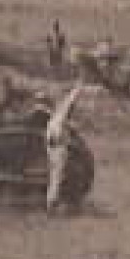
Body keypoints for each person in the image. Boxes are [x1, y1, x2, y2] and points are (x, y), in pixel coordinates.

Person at [45, 84, 88, 215]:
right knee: (57, 178)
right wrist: (77, 90)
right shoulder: (58, 119)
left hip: (56, 148)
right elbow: (67, 106)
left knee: (57, 178)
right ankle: (52, 206)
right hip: (58, 149)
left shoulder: (55, 119)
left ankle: (55, 204)